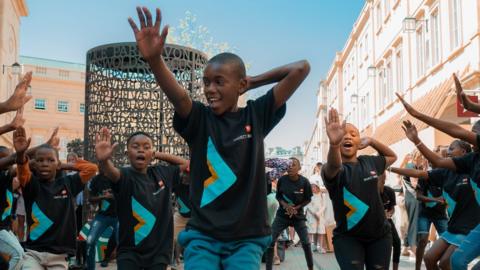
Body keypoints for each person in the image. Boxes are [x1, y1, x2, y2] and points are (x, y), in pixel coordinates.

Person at [128, 6, 310, 269]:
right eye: (206, 82)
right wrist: (156, 61)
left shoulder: (256, 117)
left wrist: (251, 82)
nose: (210, 89)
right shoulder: (200, 119)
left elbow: (301, 69)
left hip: (247, 239)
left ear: (240, 85)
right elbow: (179, 96)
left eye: (219, 82)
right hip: (203, 237)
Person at [397, 76, 480, 269]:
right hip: (461, 226)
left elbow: (457, 132)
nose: (473, 135)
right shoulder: (470, 160)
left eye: (476, 134)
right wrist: (416, 140)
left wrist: (418, 115)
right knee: (454, 261)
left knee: (451, 262)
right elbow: (437, 161)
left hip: (467, 225)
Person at [95, 128, 188, 270]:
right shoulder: (124, 175)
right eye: (135, 146)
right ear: (127, 153)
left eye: (146, 147)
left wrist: (156, 154)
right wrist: (104, 161)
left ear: (152, 153)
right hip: (130, 253)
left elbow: (187, 165)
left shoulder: (161, 173)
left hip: (159, 253)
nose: (141, 150)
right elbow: (111, 172)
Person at [322, 108, 397, 269]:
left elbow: (392, 157)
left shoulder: (369, 161)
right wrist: (334, 144)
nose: (347, 136)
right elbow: (334, 165)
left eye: (353, 134)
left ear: (358, 143)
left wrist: (372, 141)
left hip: (380, 237)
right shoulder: (333, 169)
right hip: (348, 238)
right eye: (343, 134)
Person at [14, 126, 98, 270]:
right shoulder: (31, 185)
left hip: (59, 256)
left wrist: (61, 165)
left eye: (50, 160)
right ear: (34, 164)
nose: (45, 164)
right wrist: (21, 155)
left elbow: (91, 169)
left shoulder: (68, 184)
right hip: (34, 253)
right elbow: (22, 171)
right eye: (39, 160)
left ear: (58, 164)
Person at [389, 139, 480, 270]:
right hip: (453, 226)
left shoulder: (472, 170)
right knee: (429, 258)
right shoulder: (445, 172)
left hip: (470, 227)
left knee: (446, 262)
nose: (448, 152)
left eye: (452, 149)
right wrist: (391, 168)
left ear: (464, 151)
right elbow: (419, 173)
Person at [266, 158, 313, 270]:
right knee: (270, 241)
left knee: (306, 243)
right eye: (289, 165)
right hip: (282, 215)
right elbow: (278, 196)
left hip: (298, 216)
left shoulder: (305, 182)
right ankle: (268, 268)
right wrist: (286, 206)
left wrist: (297, 207)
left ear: (299, 168)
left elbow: (308, 199)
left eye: (294, 164)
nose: (291, 167)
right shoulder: (282, 180)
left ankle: (311, 267)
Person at [86, 171, 118, 270]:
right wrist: (103, 197)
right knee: (90, 242)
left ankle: (107, 258)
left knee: (122, 243)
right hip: (102, 216)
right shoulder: (96, 180)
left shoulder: (117, 175)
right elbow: (90, 199)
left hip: (119, 216)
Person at [378, 173, 401, 270]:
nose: (383, 176)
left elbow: (392, 208)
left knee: (397, 243)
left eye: (384, 174)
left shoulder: (390, 191)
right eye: (380, 174)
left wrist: (389, 213)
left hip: (387, 220)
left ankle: (395, 268)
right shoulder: (371, 192)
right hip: (374, 222)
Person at [305, 179, 324, 253]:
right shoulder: (309, 196)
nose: (313, 188)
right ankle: (309, 248)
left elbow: (324, 205)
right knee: (310, 232)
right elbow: (308, 206)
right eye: (312, 187)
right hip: (311, 216)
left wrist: (318, 213)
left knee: (320, 231)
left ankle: (320, 247)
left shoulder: (322, 195)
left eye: (314, 187)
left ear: (318, 187)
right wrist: (314, 213)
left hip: (320, 216)